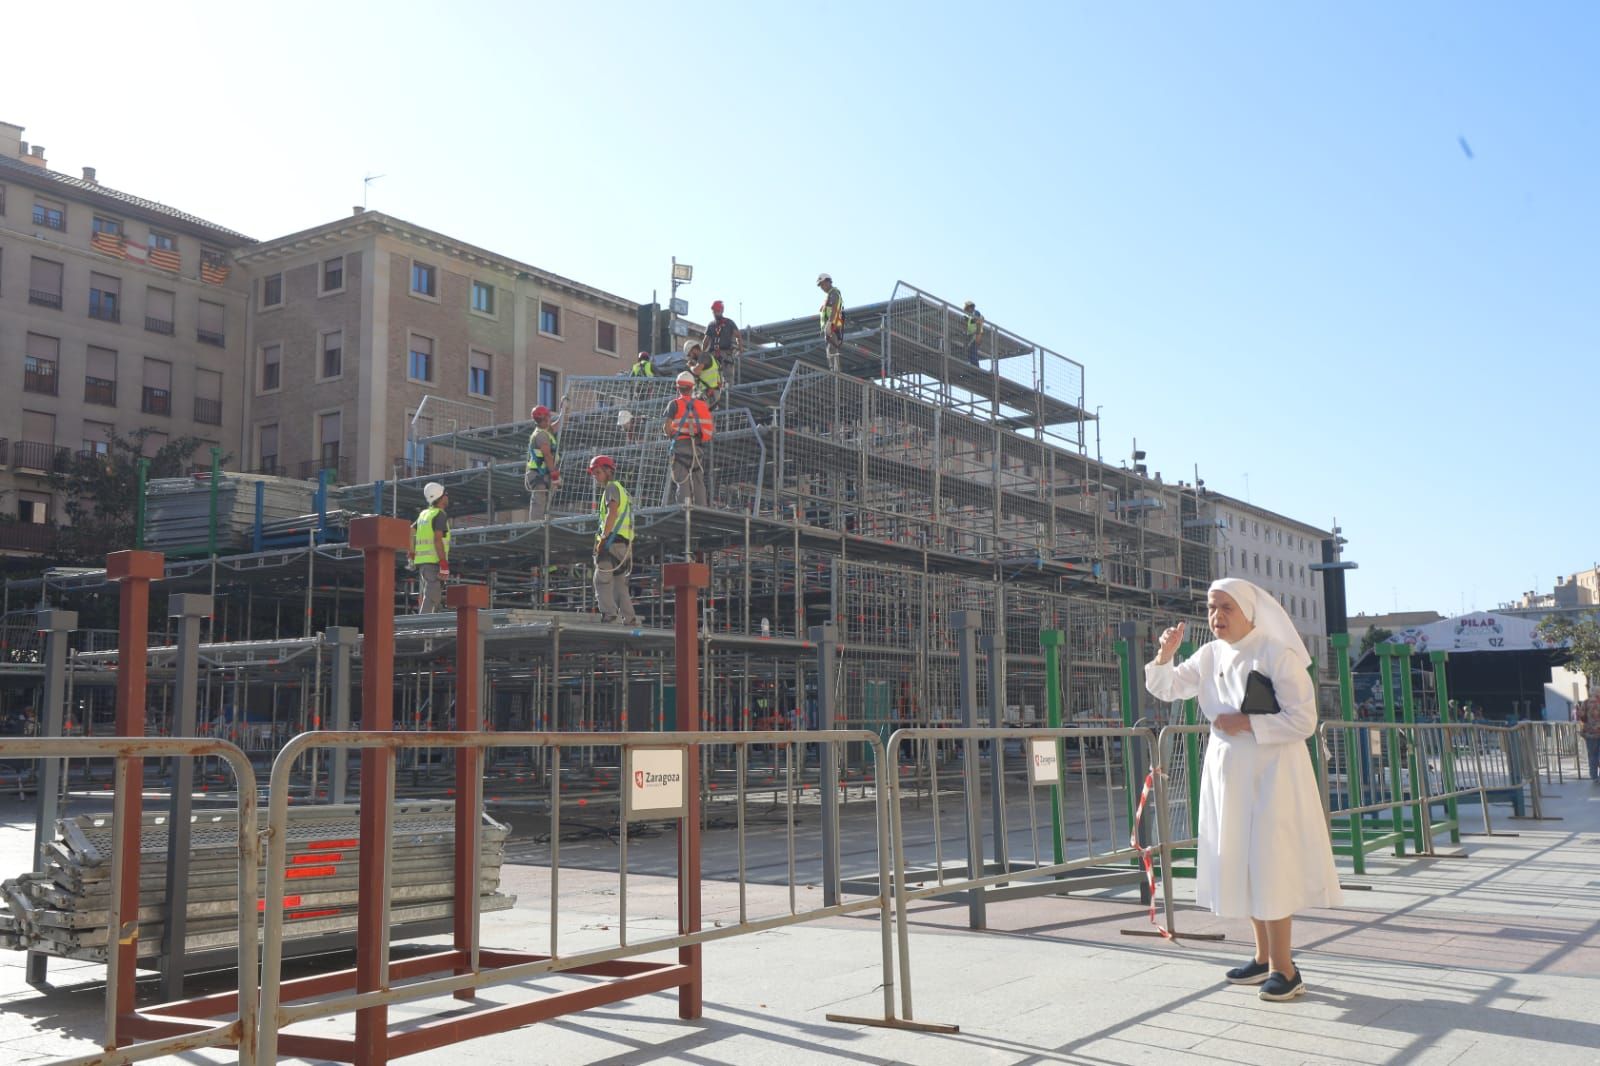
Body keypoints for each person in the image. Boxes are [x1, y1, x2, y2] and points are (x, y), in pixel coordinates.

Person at [1144, 577, 1341, 1002]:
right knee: (1242, 859)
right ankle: (1262, 957)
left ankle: (1285, 969)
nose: (1216, 617)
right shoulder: (1211, 653)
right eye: (1212, 608)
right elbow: (1167, 688)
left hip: (1273, 774)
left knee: (1269, 860)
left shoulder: (1276, 652)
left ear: (1248, 611)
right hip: (1228, 771)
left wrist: (1247, 722)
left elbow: (1304, 720)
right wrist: (1165, 654)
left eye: (1225, 608)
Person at [587, 455, 638, 626]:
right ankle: (629, 618)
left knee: (601, 579)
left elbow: (612, 513)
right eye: (594, 473)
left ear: (609, 471)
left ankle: (609, 614)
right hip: (623, 545)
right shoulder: (621, 490)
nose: (595, 476)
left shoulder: (611, 488)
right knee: (619, 585)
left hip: (611, 542)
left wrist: (603, 538)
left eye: (598, 472)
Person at [663, 370, 712, 508]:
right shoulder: (701, 405)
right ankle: (702, 508)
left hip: (680, 447)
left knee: (682, 479)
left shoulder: (674, 404)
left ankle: (685, 508)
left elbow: (667, 427)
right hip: (697, 448)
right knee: (698, 479)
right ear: (692, 387)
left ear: (678, 388)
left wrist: (670, 435)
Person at [409, 482, 451, 613]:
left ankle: (433, 619)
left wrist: (411, 553)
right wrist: (443, 563)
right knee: (432, 595)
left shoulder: (424, 514)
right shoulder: (439, 515)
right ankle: (423, 624)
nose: (447, 497)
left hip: (423, 562)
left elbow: (411, 530)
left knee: (434, 593)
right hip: (434, 562)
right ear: (440, 497)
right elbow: (437, 539)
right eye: (446, 494)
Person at [524, 405, 560, 521]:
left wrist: (565, 410)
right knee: (539, 500)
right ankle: (536, 525)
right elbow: (547, 456)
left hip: (543, 472)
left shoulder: (545, 431)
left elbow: (561, 424)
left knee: (545, 499)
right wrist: (554, 474)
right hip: (538, 474)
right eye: (549, 417)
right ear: (545, 419)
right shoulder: (541, 435)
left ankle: (542, 521)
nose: (550, 419)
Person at [705, 299, 742, 384]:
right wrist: (703, 353)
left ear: (721, 310)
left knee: (727, 379)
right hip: (714, 355)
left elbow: (738, 336)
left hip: (725, 354)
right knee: (713, 378)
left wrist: (740, 349)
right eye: (714, 311)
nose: (714, 313)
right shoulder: (711, 325)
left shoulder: (729, 323)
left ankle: (728, 392)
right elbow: (706, 340)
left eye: (716, 310)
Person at [817, 272, 844, 372]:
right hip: (831, 327)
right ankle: (834, 370)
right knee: (830, 349)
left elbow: (834, 309)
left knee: (831, 349)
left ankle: (835, 372)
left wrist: (829, 323)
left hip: (832, 326)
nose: (822, 287)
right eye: (820, 285)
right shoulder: (829, 295)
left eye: (823, 284)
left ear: (828, 282)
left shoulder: (834, 293)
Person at [685, 340, 723, 407]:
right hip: (710, 393)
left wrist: (690, 366)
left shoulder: (703, 355)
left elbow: (697, 371)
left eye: (689, 354)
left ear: (693, 349)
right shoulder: (704, 358)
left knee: (693, 412)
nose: (690, 357)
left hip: (710, 393)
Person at [1578, 694, 1600, 781]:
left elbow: (1582, 717)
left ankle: (1594, 776)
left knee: (1592, 755)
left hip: (1590, 733)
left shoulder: (1586, 702)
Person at [962, 300, 986, 367]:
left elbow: (976, 320)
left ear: (970, 308)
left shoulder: (976, 313)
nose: (966, 311)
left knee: (972, 350)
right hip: (974, 335)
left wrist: (968, 319)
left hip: (977, 334)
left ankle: (975, 365)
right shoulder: (971, 316)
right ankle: (973, 364)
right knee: (971, 350)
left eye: (967, 309)